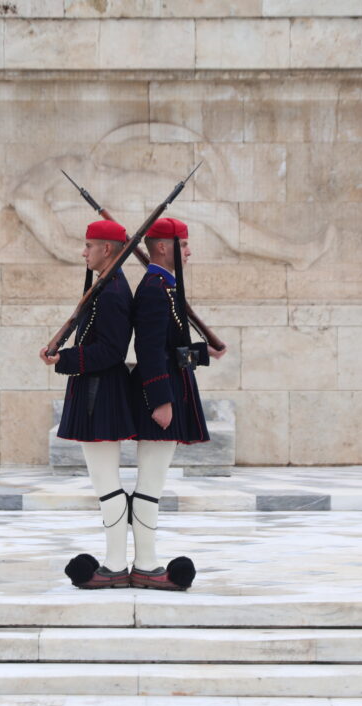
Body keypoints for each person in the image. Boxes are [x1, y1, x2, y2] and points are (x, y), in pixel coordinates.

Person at [127, 217, 225, 591]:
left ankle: (142, 560)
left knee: (154, 481)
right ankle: (146, 565)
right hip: (160, 395)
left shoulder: (165, 286)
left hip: (168, 387)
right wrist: (161, 401)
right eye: (183, 244)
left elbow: (170, 347)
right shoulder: (155, 288)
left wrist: (204, 352)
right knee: (150, 483)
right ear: (163, 247)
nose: (189, 251)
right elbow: (149, 350)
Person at [40, 219, 137, 589]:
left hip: (101, 392)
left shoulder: (112, 292)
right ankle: (117, 561)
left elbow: (111, 351)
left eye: (89, 246)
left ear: (107, 249)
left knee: (106, 483)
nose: (84, 252)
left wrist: (64, 360)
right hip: (95, 390)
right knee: (104, 481)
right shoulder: (107, 286)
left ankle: (114, 565)